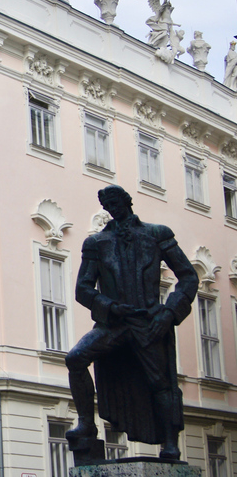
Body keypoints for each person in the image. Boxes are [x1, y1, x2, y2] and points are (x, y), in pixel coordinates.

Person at [65, 185, 199, 460]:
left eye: (116, 202)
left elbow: (188, 276)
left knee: (160, 382)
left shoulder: (157, 234)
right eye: (107, 205)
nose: (112, 208)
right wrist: (110, 306)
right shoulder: (96, 243)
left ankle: (170, 443)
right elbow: (83, 289)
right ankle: (86, 425)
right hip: (114, 323)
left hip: (150, 321)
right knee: (76, 358)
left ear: (127, 201)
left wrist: (169, 313)